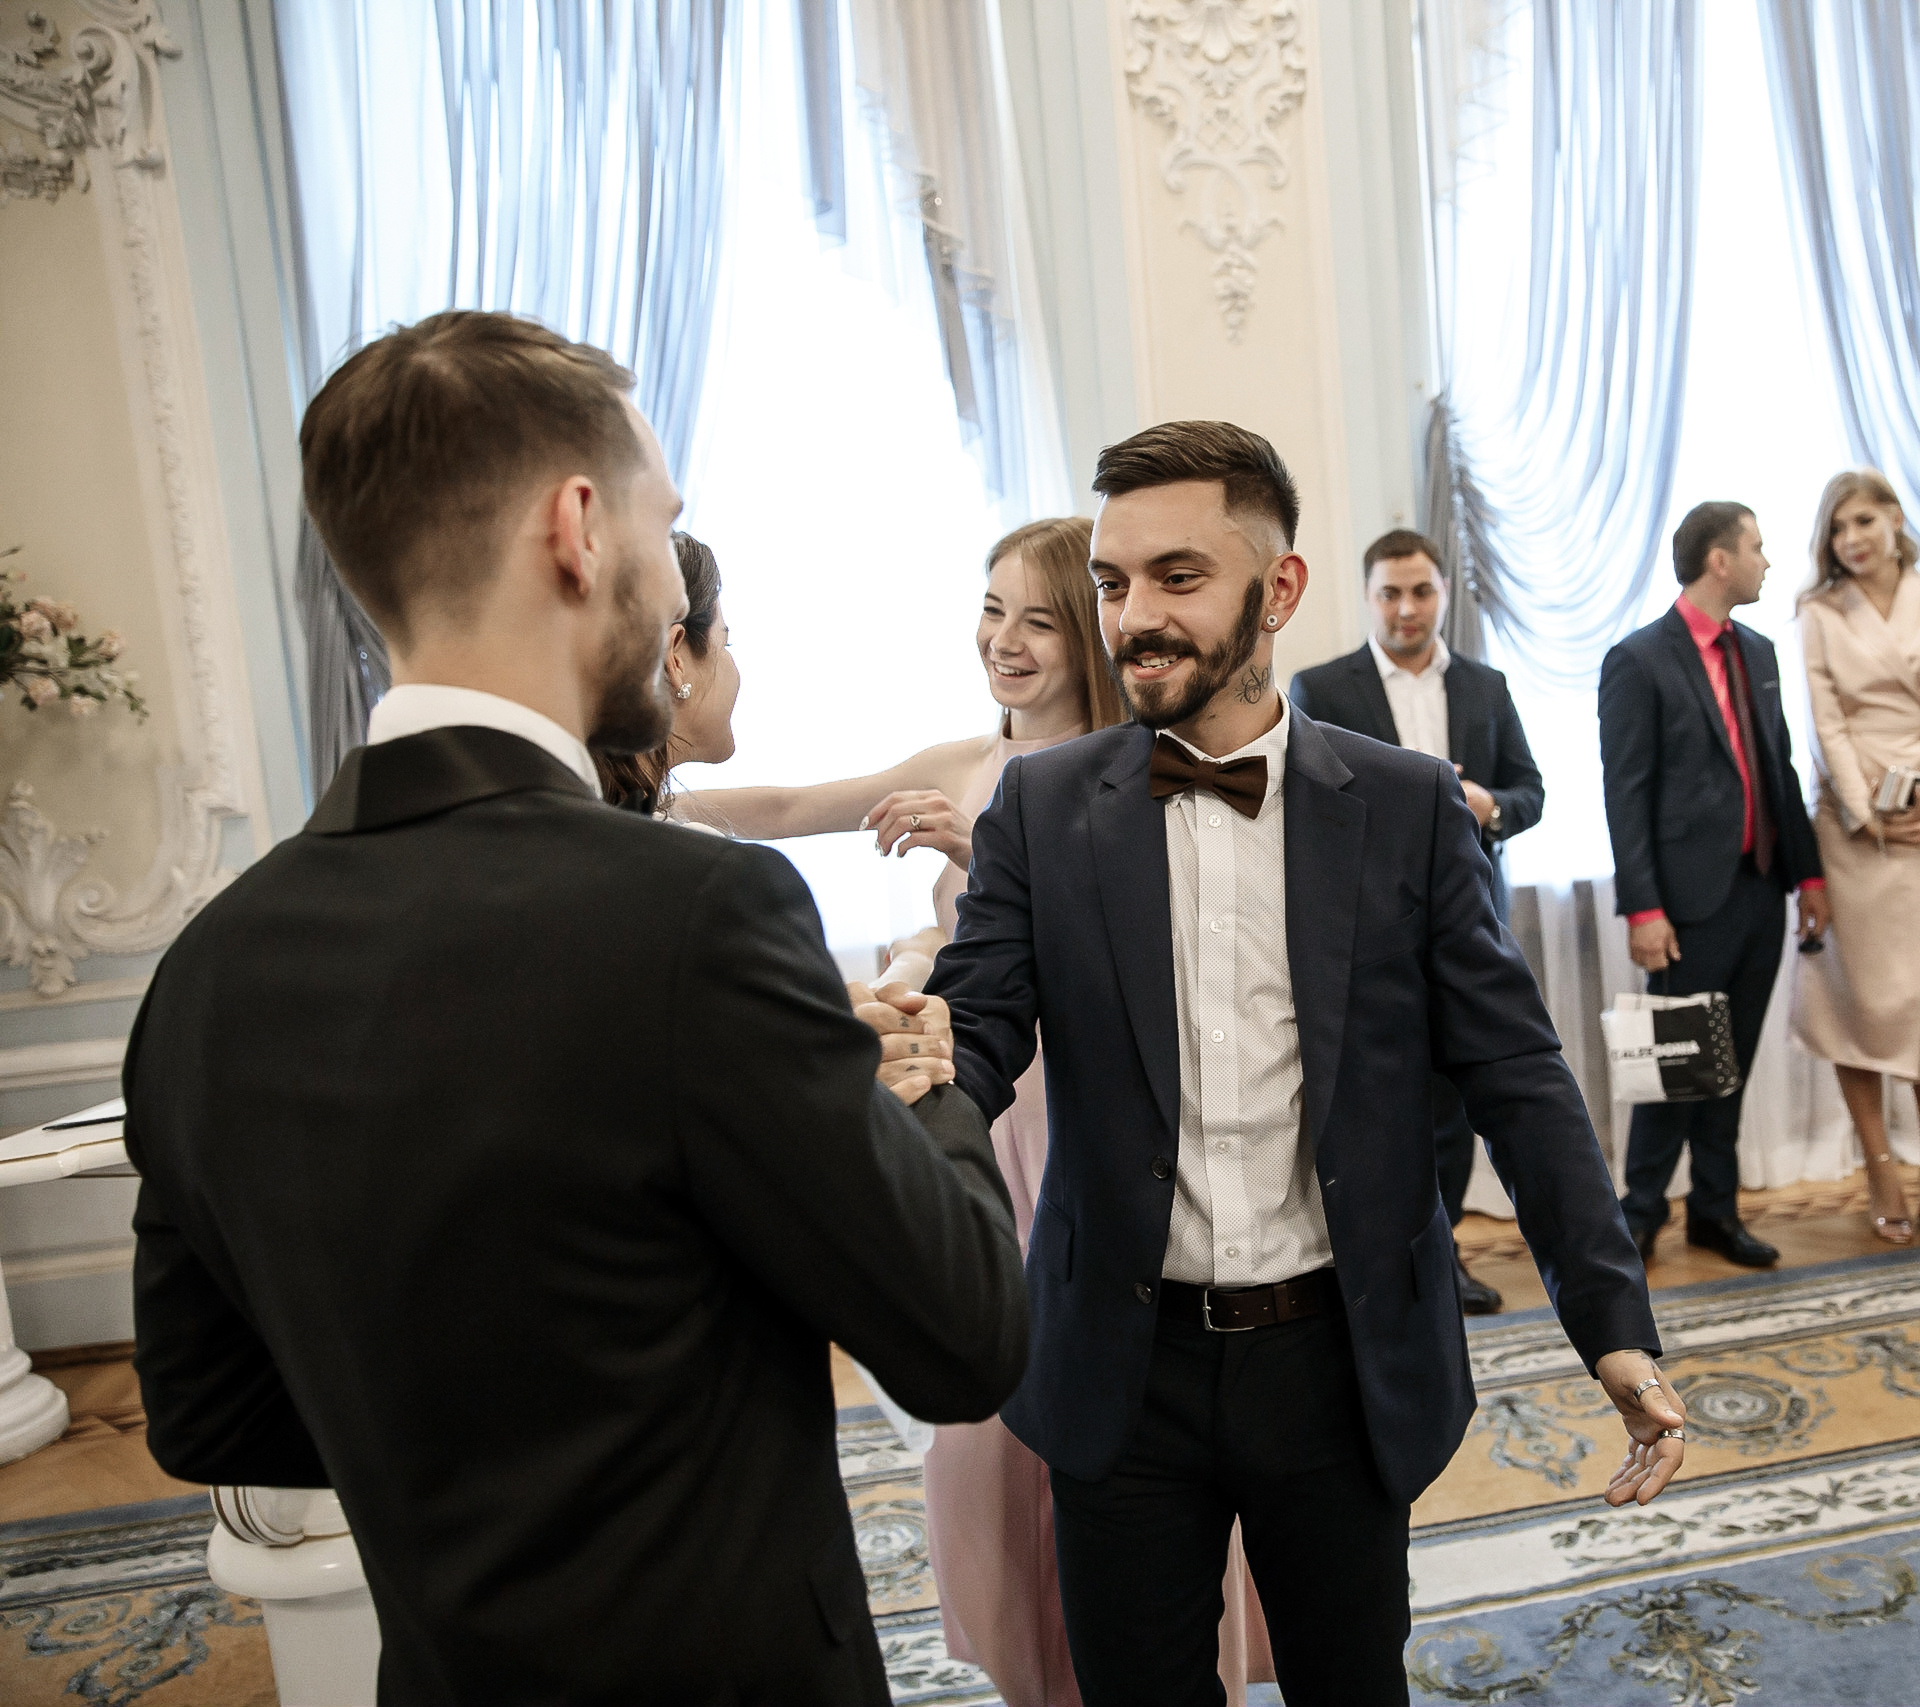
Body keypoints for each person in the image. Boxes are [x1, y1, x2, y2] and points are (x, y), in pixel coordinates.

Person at [121, 310, 1029, 1706]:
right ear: (579, 527)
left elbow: (213, 1410)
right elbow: (967, 1336)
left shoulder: (205, 973)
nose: (674, 587)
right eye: (668, 526)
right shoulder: (693, 915)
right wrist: (934, 1090)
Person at [929, 421, 1685, 1702]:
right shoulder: (1039, 809)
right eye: (1113, 584)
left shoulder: (1403, 806)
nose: (1133, 618)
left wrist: (1612, 1324)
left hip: (1339, 1364)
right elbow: (975, 1040)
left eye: (1178, 576)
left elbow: (1516, 1073)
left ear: (1277, 589)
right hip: (1119, 1362)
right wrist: (900, 1105)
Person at [669, 518, 1276, 1703]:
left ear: (1090, 634)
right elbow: (791, 803)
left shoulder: (1139, 763)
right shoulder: (959, 756)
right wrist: (631, 804)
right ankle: (1035, 1661)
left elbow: (1158, 959)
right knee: (992, 1414)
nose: (1003, 641)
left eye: (1037, 619)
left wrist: (1003, 859)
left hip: (1101, 1121)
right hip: (989, 1122)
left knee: (1130, 1400)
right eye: (991, 610)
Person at [1288, 526, 1546, 1312]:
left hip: (1468, 929)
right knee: (1376, 1106)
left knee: (1454, 1105)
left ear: (1442, 594)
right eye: (1391, 593)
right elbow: (1302, 810)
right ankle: (1373, 1258)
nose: (1407, 608)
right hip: (1363, 935)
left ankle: (1446, 1256)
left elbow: (1531, 792)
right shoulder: (1319, 689)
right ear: (1368, 599)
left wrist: (1486, 804)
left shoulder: (1485, 686)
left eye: (1421, 590)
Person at [1600, 501, 1828, 1269]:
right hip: (1683, 906)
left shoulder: (1759, 653)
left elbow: (1780, 771)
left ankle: (1715, 1211)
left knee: (1728, 1068)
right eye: (1757, 547)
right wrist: (1643, 906)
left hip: (1760, 891)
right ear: (1719, 560)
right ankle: (1638, 1214)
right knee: (1674, 1068)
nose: (1767, 561)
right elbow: (1624, 793)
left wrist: (1809, 874)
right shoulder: (1638, 659)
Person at [1791, 469, 1920, 1244]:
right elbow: (1824, 723)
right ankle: (1879, 1163)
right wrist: (1869, 816)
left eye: (1864, 520)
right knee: (1858, 1000)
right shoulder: (1819, 613)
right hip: (1852, 823)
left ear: (1896, 518)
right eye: (1838, 528)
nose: (1852, 539)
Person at [593, 529, 738, 816]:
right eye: (725, 643)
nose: (732, 663)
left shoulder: (589, 799)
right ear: (675, 658)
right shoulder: (667, 847)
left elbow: (781, 810)